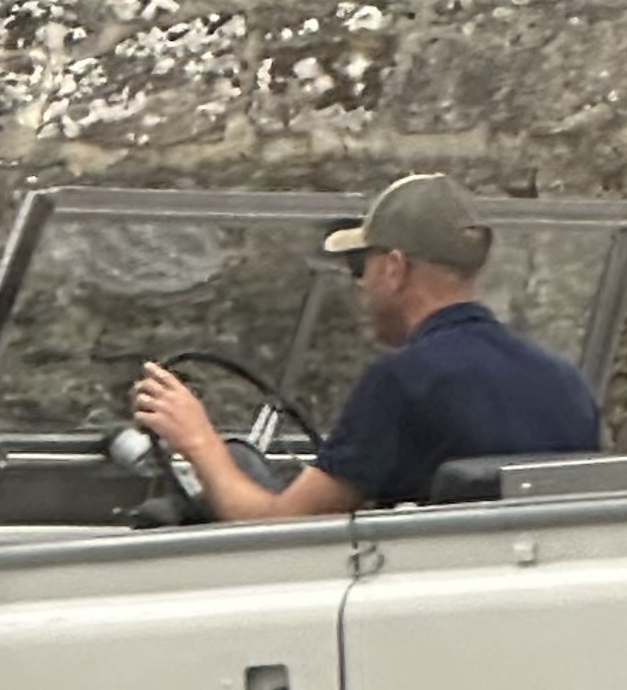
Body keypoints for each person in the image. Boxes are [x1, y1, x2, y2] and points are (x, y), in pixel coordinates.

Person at [130, 172, 601, 519]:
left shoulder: (403, 381)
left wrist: (199, 440)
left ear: (395, 268)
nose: (361, 286)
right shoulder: (566, 382)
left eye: (362, 267)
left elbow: (281, 527)